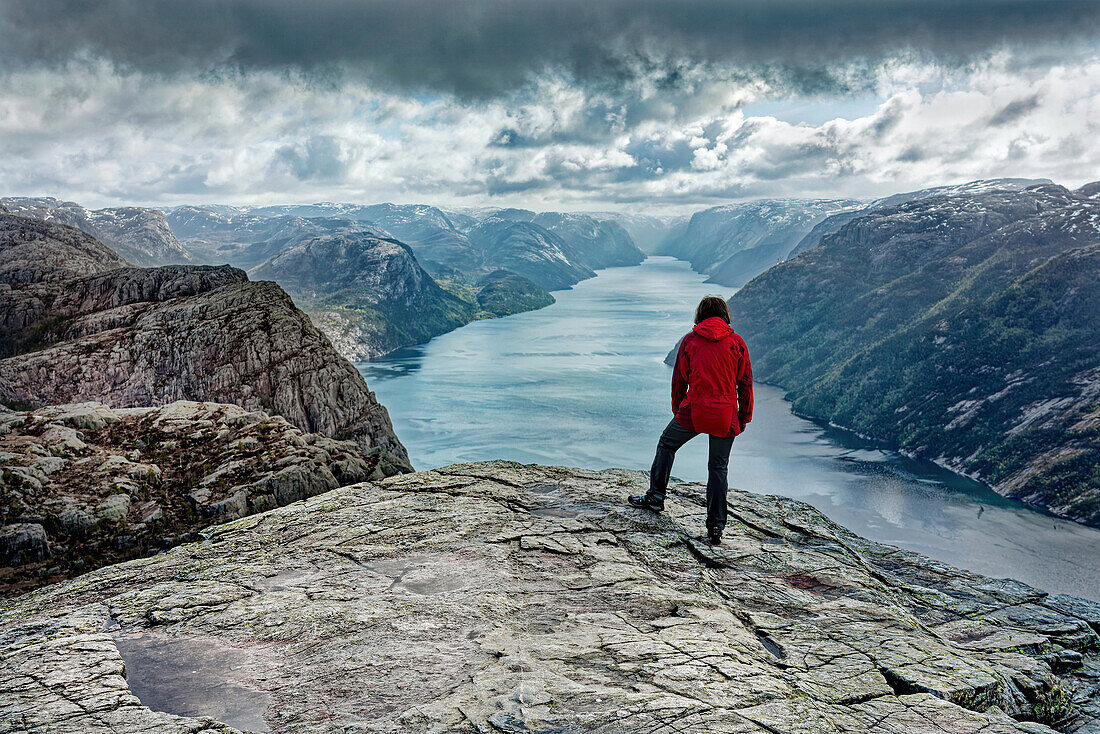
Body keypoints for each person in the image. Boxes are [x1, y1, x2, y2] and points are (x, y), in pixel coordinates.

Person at [628, 295, 753, 545]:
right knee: (718, 468)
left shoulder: (690, 341)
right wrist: (743, 417)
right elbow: (745, 384)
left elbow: (679, 381)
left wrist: (678, 410)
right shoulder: (736, 343)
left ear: (700, 315)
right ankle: (716, 526)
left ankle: (655, 497)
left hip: (694, 411)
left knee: (667, 444)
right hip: (724, 413)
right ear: (724, 315)